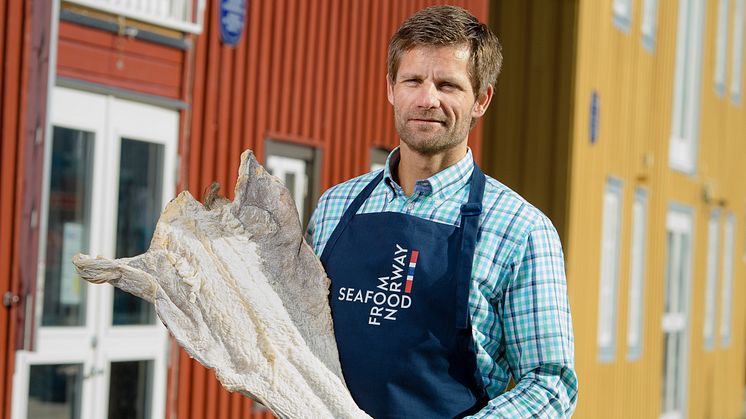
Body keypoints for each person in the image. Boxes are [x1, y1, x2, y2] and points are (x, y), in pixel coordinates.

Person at [306, 5, 577, 418]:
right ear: (390, 89)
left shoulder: (521, 229)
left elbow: (550, 382)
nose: (426, 98)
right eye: (412, 80)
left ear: (481, 100)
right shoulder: (335, 207)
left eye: (448, 85)